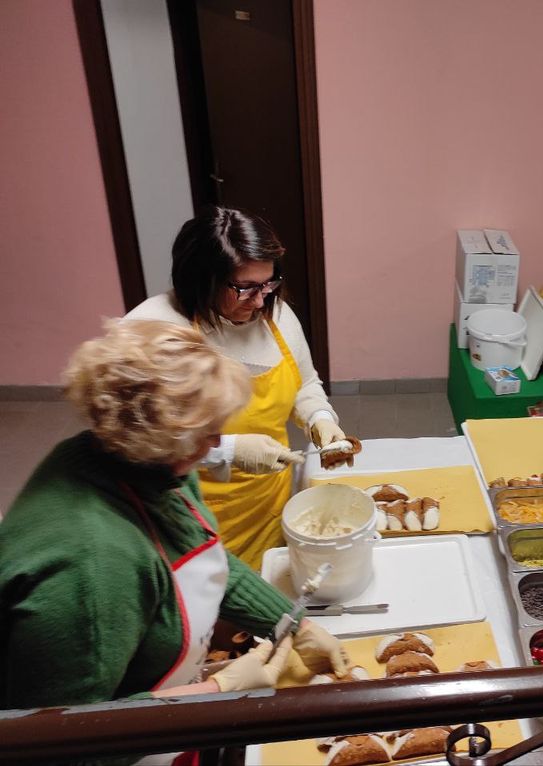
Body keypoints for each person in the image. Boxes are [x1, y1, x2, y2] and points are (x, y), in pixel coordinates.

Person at [0, 320, 348, 717]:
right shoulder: (89, 568)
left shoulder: (152, 465)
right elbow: (64, 734)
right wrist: (215, 689)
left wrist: (295, 624)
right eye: (209, 433)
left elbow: (200, 555)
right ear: (159, 440)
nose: (219, 444)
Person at [126, 207, 351, 568]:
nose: (260, 300)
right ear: (201, 278)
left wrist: (319, 418)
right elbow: (135, 445)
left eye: (269, 283)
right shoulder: (152, 331)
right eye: (245, 288)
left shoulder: (275, 314)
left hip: (268, 502)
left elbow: (305, 383)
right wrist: (227, 451)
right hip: (190, 519)